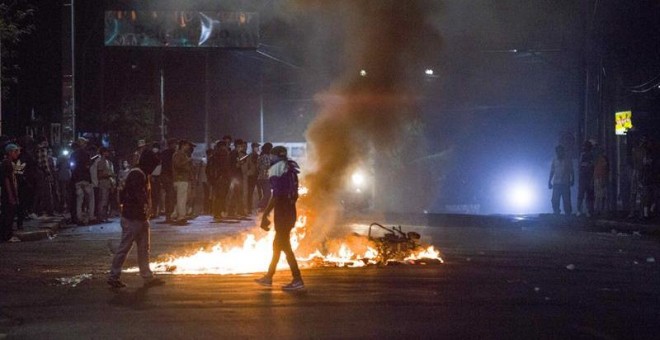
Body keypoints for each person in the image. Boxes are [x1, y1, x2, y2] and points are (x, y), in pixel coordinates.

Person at [107, 149, 163, 288]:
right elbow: (139, 194)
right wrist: (145, 207)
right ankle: (114, 276)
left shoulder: (140, 173)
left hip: (139, 217)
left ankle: (147, 276)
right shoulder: (138, 174)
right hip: (133, 217)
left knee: (143, 248)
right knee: (125, 247)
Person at [255, 145, 304, 291]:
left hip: (283, 213)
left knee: (285, 247)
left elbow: (276, 195)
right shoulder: (290, 168)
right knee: (278, 245)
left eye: (272, 156)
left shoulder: (277, 169)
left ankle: (298, 279)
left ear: (275, 156)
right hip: (289, 211)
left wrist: (265, 214)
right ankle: (269, 277)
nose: (270, 158)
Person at [71, 137, 95, 225]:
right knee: (90, 199)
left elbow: (72, 166)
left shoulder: (73, 154)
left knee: (79, 200)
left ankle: (79, 218)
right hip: (86, 179)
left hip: (77, 179)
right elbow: (88, 166)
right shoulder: (86, 154)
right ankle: (91, 217)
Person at [1, 144, 21, 243]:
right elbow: (6, 181)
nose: (17, 153)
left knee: (10, 214)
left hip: (11, 193)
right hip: (8, 194)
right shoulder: (6, 163)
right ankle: (7, 235)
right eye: (15, 151)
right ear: (10, 152)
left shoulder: (9, 163)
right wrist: (10, 196)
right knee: (8, 215)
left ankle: (7, 234)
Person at [171, 139, 194, 224]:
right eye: (187, 145)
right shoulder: (178, 154)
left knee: (182, 198)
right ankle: (181, 217)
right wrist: (187, 161)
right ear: (183, 145)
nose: (188, 147)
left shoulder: (182, 154)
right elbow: (177, 165)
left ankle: (175, 214)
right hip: (180, 179)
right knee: (182, 199)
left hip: (183, 179)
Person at [90, 147, 116, 223]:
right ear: (104, 153)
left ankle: (104, 216)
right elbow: (100, 174)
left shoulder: (107, 162)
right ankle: (100, 217)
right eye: (107, 152)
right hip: (103, 183)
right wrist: (109, 175)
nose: (108, 154)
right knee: (103, 201)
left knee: (106, 201)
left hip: (108, 183)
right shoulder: (101, 161)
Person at [548, 145, 574, 215]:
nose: (559, 153)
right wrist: (549, 181)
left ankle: (568, 213)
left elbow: (571, 170)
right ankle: (556, 211)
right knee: (554, 200)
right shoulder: (554, 160)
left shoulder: (568, 160)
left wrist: (572, 179)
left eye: (560, 151)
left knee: (566, 200)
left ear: (563, 152)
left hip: (565, 183)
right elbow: (552, 171)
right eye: (558, 151)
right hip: (556, 183)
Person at [576, 141, 594, 217]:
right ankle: (580, 210)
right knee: (581, 195)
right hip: (583, 178)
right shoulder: (582, 155)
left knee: (588, 195)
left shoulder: (591, 155)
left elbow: (592, 166)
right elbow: (580, 166)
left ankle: (588, 211)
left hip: (589, 178)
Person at [245, 142, 261, 214]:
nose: (257, 148)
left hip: (257, 176)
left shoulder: (258, 156)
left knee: (260, 193)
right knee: (250, 193)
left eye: (258, 147)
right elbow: (246, 166)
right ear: (253, 147)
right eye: (256, 147)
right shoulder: (249, 156)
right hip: (251, 176)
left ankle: (259, 208)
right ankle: (249, 209)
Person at [257, 143, 273, 212]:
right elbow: (267, 166)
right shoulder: (265, 157)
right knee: (268, 193)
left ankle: (263, 209)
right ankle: (260, 205)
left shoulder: (262, 156)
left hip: (262, 177)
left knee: (266, 193)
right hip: (265, 177)